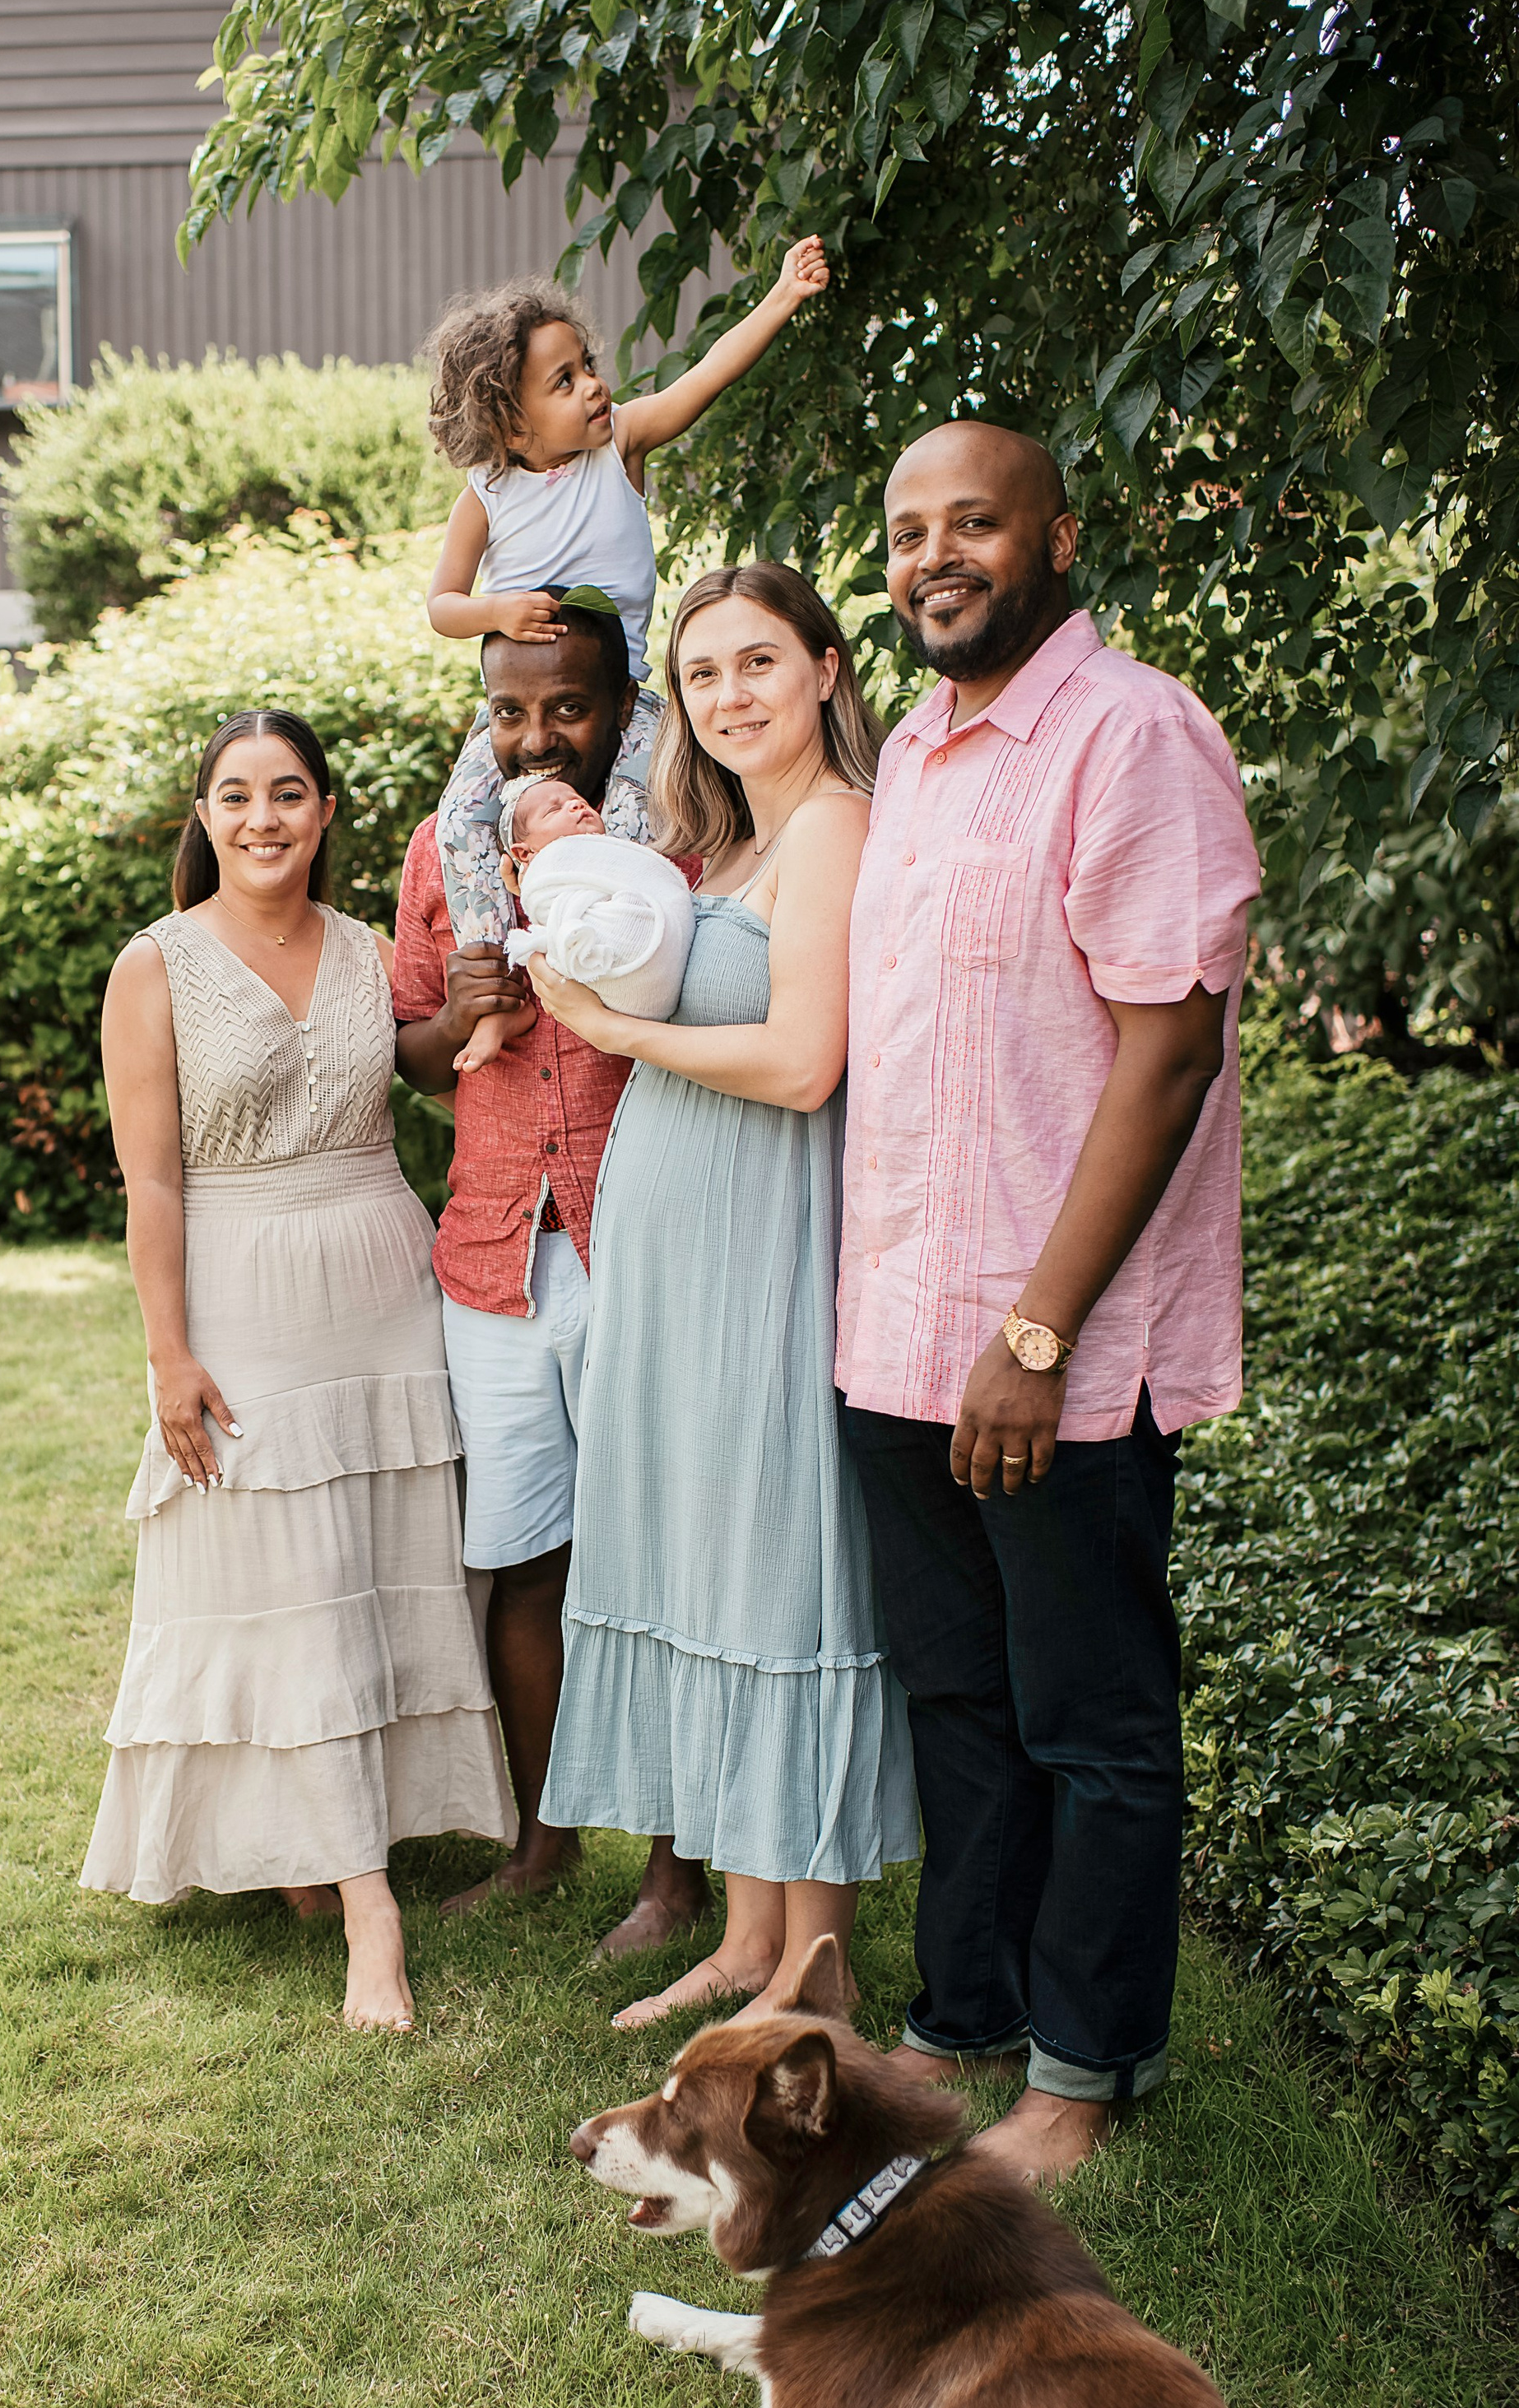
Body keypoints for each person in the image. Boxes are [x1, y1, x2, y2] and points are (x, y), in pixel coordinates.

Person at [838, 419, 1261, 2178]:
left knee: (1088, 1721)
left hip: (1049, 1357)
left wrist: (1033, 1331)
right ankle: (962, 2020)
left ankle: (1083, 2072)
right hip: (898, 1337)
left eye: (972, 521)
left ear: (1055, 535)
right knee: (955, 1701)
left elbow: (1165, 1054)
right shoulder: (918, 759)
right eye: (906, 528)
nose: (935, 552)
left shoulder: (1131, 733)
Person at [81, 709, 514, 2034]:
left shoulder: (369, 950)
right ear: (202, 817)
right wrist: (168, 1351)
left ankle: (332, 1842)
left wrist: (471, 1014)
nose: (262, 818)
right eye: (235, 796)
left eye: (287, 794)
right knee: (290, 1576)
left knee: (378, 1558)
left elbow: (417, 1070)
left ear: (326, 812)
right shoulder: (154, 967)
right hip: (245, 1282)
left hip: (382, 1275)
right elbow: (151, 1176)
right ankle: (369, 1908)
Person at [530, 562, 919, 2027]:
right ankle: (749, 1942)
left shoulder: (835, 828)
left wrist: (610, 1025)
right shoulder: (726, 847)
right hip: (682, 1261)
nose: (731, 695)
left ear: (827, 669)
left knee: (777, 1563)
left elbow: (805, 1060)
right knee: (711, 1565)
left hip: (771, 1243)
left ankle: (811, 1969)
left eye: (760, 663)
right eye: (703, 676)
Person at [393, 606, 710, 1953]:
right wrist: (459, 1019)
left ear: (622, 697)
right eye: (511, 711)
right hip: (492, 1259)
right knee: (527, 1563)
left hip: (636, 1242)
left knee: (664, 1564)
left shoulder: (673, 834)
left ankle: (676, 1873)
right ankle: (541, 1843)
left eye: (567, 708)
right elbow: (405, 1051)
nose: (536, 739)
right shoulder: (446, 848)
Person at [423, 244, 831, 1069]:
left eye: (588, 367)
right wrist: (497, 609)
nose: (595, 387)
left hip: (630, 702)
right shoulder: (486, 495)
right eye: (564, 383)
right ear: (508, 421)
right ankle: (502, 980)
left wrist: (783, 296)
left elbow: (704, 379)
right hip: (518, 712)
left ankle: (628, 958)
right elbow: (442, 605)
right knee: (462, 826)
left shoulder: (621, 447)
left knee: (644, 819)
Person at [498, 772, 696, 1022]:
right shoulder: (545, 872)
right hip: (605, 956)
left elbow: (645, 882)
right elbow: (548, 905)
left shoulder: (608, 853)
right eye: (554, 810)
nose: (576, 804)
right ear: (525, 853)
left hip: (666, 953)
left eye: (579, 800)